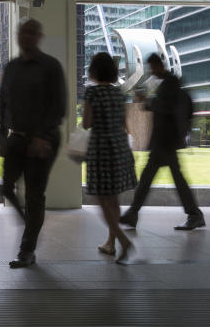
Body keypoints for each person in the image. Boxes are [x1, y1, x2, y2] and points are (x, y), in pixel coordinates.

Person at [0, 19, 67, 268]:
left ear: (39, 36)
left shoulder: (51, 66)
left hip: (44, 139)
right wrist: (2, 136)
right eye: (22, 33)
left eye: (31, 33)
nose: (25, 37)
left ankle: (27, 250)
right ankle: (30, 224)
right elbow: (3, 102)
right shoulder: (12, 67)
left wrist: (42, 136)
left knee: (35, 196)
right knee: (6, 188)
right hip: (17, 137)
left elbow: (58, 106)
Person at [120, 53, 205, 230]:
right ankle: (194, 214)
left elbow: (165, 107)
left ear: (159, 65)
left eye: (152, 68)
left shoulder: (170, 83)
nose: (152, 72)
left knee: (150, 177)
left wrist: (147, 102)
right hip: (166, 141)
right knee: (166, 178)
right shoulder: (171, 82)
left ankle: (133, 213)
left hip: (165, 141)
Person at [82, 53, 137, 263]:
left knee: (101, 198)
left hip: (101, 149)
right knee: (113, 198)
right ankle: (111, 242)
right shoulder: (119, 93)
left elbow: (87, 123)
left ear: (94, 71)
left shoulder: (92, 93)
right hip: (119, 147)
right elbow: (124, 122)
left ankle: (123, 240)